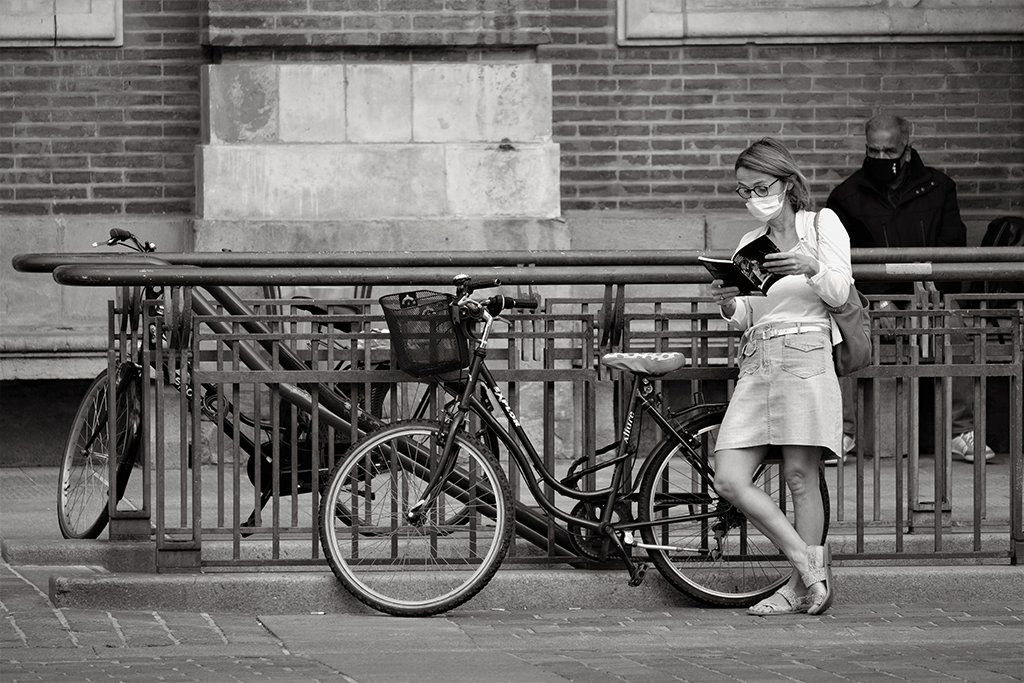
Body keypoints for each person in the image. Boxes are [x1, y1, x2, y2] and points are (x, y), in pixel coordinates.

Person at [710, 137, 846, 616]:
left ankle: (799, 586)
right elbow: (752, 311)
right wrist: (731, 304)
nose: (752, 199)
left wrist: (810, 266)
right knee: (728, 476)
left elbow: (841, 289)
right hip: (759, 357)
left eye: (759, 187)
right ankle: (810, 566)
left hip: (806, 351)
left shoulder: (820, 224)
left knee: (799, 476)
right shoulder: (751, 243)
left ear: (787, 183)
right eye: (742, 191)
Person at [827, 113, 994, 464]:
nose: (882, 159)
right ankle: (842, 432)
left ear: (907, 148)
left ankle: (959, 433)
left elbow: (953, 245)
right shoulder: (846, 196)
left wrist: (928, 292)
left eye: (890, 151)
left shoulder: (939, 187)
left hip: (929, 294)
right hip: (874, 299)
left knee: (955, 326)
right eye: (874, 150)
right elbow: (841, 258)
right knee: (841, 333)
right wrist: (883, 301)